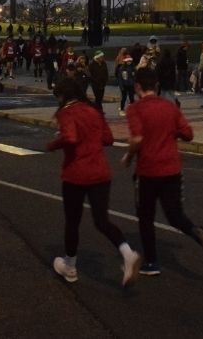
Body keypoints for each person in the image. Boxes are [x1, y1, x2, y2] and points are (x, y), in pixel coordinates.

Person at [122, 67, 203, 276]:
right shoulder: (170, 107)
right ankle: (195, 231)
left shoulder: (135, 109)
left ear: (137, 86)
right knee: (175, 214)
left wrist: (128, 157)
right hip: (172, 169)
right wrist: (169, 130)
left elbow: (137, 138)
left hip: (148, 171)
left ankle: (152, 262)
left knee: (146, 217)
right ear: (156, 85)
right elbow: (188, 134)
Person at [46, 77, 141, 287]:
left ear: (63, 96)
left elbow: (70, 137)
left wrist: (54, 143)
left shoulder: (66, 112)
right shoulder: (94, 110)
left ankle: (70, 266)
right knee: (102, 220)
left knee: (73, 221)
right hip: (100, 172)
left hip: (76, 174)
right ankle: (128, 253)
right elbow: (107, 139)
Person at [115, 51, 135, 116]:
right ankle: (122, 109)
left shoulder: (132, 68)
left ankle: (133, 110)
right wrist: (121, 87)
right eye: (128, 61)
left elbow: (134, 77)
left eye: (130, 61)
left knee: (132, 98)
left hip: (131, 85)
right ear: (125, 61)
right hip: (124, 86)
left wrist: (134, 84)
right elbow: (120, 78)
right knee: (124, 98)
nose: (129, 62)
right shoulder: (122, 68)